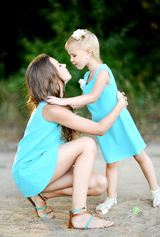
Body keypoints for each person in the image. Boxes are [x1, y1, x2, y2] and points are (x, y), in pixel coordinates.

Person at [47, 29, 160, 214]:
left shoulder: (102, 72)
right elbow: (85, 103)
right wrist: (61, 106)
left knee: (140, 155)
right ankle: (111, 198)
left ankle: (156, 191)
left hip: (119, 120)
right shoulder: (86, 77)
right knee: (111, 162)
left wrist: (64, 101)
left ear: (88, 52)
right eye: (70, 55)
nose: (71, 59)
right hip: (104, 126)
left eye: (74, 55)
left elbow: (91, 98)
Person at [12, 54, 128, 229]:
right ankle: (79, 215)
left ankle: (41, 196)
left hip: (40, 167)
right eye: (59, 65)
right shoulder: (50, 109)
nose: (65, 64)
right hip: (30, 168)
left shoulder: (57, 105)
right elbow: (99, 129)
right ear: (50, 76)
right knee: (87, 144)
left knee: (100, 184)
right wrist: (119, 106)